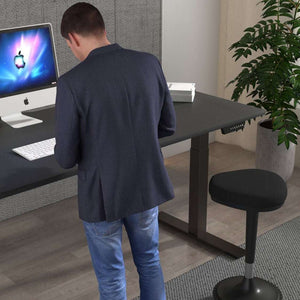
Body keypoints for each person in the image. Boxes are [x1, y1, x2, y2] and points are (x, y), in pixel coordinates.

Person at [54, 2, 176, 300]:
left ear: (73, 38)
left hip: (102, 197)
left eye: (70, 45)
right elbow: (167, 126)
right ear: (103, 29)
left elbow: (66, 157)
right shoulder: (149, 63)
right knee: (149, 261)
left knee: (111, 277)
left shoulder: (72, 83)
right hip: (146, 186)